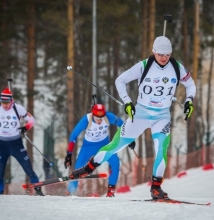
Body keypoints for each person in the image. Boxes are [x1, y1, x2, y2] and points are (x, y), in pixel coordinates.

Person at [68, 36, 196, 199]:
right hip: (140, 114)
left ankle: (156, 188)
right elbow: (120, 80)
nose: (164, 58)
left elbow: (190, 84)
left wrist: (189, 101)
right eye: (160, 54)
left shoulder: (177, 67)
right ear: (153, 52)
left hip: (162, 116)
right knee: (115, 145)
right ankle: (86, 170)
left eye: (167, 54)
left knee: (161, 149)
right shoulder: (144, 66)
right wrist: (128, 102)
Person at [0, 87, 44, 196]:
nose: (5, 105)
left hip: (16, 144)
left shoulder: (18, 109)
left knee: (28, 169)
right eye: (2, 102)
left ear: (11, 100)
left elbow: (32, 120)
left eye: (7, 102)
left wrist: (25, 127)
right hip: (2, 145)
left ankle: (38, 191)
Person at [65, 103, 134, 197]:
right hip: (88, 147)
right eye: (97, 118)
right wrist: (69, 154)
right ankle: (71, 191)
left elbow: (122, 124)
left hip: (104, 145)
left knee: (115, 163)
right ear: (93, 115)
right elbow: (73, 135)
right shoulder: (86, 120)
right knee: (78, 168)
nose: (99, 121)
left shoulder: (109, 117)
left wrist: (129, 139)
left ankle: (111, 191)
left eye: (101, 118)